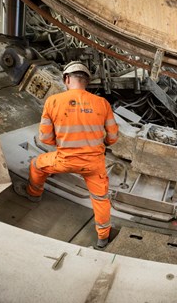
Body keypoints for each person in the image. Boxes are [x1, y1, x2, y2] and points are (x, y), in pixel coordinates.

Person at [14, 61, 119, 249]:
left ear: (67, 79)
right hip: (94, 164)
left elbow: (45, 138)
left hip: (65, 160)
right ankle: (102, 238)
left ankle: (33, 195)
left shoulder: (53, 101)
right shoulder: (102, 103)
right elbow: (113, 137)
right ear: (86, 81)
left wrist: (64, 143)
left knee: (37, 164)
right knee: (101, 199)